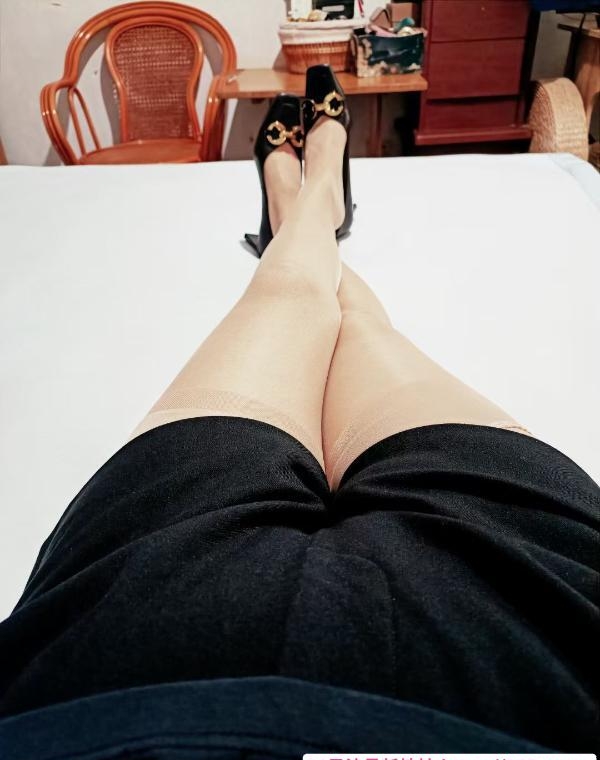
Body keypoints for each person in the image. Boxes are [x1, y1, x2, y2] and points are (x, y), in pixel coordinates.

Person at [0, 66, 597, 759]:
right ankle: (315, 196)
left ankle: (298, 204)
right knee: (359, 325)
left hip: (108, 663)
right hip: (537, 625)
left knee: (289, 297)